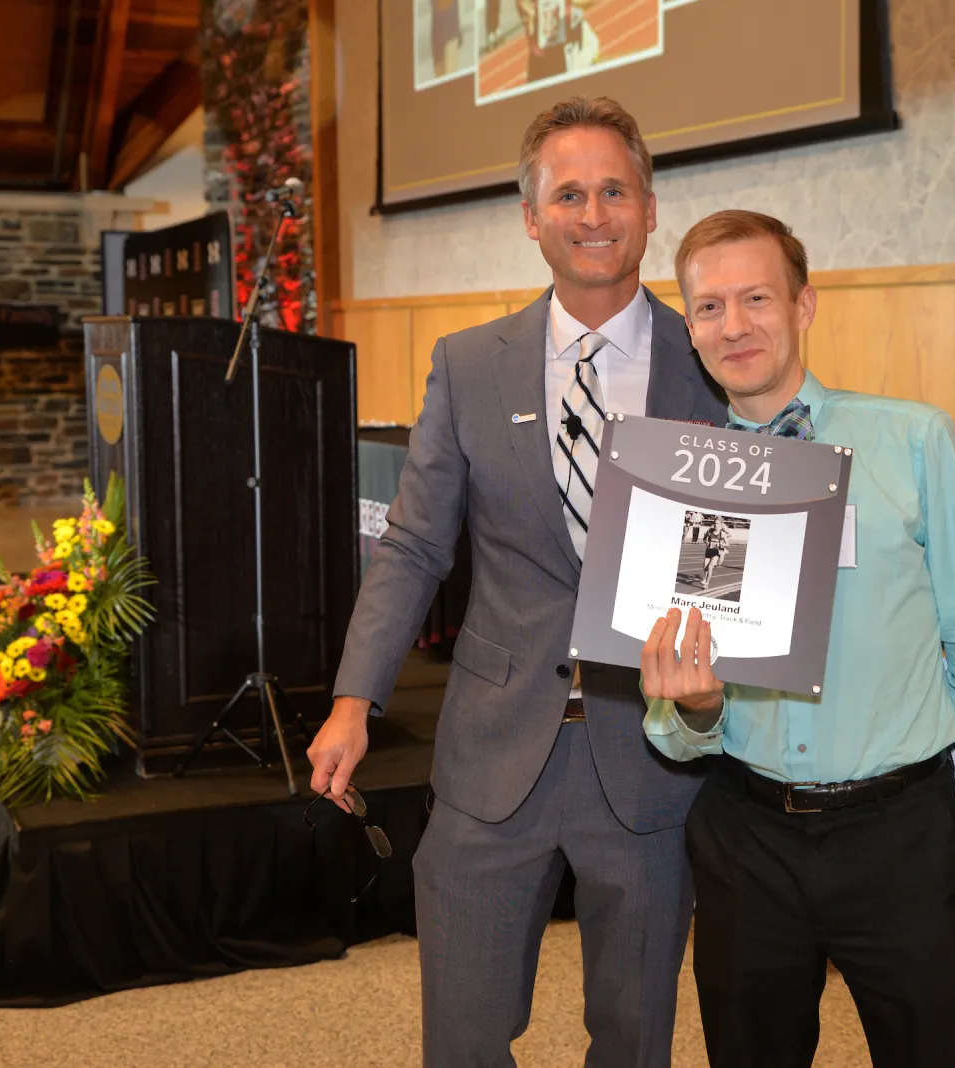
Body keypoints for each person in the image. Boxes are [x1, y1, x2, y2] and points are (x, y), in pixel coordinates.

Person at [307, 97, 726, 1067]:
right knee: (461, 1035)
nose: (593, 213)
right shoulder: (467, 366)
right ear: (531, 217)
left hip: (652, 758)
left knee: (634, 1038)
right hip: (492, 756)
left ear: (650, 208)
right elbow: (413, 548)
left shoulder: (709, 367)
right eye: (568, 193)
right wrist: (353, 698)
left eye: (613, 190)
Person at [641, 209, 955, 1068]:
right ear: (689, 328)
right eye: (708, 307)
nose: (734, 324)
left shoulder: (911, 440)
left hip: (899, 837)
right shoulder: (683, 481)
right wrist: (698, 708)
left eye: (756, 297)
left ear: (805, 305)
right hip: (747, 841)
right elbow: (673, 722)